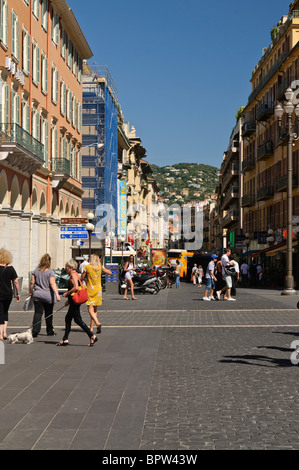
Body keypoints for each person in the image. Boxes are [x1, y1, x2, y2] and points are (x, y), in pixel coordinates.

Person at [56, 259, 97, 347]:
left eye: (66, 267)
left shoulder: (73, 275)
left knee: (77, 320)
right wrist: (69, 300)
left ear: (70, 267)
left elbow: (75, 287)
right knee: (69, 319)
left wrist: (67, 293)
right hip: (73, 301)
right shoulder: (73, 274)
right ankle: (65, 339)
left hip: (75, 302)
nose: (65, 269)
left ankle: (91, 335)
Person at [29, 254, 60, 337]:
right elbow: (52, 283)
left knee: (38, 313)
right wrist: (57, 294)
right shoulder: (50, 272)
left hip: (38, 295)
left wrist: (30, 292)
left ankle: (35, 331)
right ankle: (50, 331)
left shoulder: (35, 271)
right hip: (48, 296)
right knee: (48, 314)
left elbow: (32, 283)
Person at [81, 253, 111, 334]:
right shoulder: (100, 267)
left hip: (90, 289)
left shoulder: (87, 267)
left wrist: (85, 274)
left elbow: (82, 277)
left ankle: (97, 323)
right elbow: (109, 272)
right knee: (95, 310)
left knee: (90, 309)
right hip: (98, 290)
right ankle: (91, 328)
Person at [0, 248, 20, 340]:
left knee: (0, 313)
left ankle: (0, 334)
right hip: (8, 293)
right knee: (5, 312)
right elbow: (15, 281)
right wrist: (17, 293)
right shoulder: (10, 268)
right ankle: (4, 332)